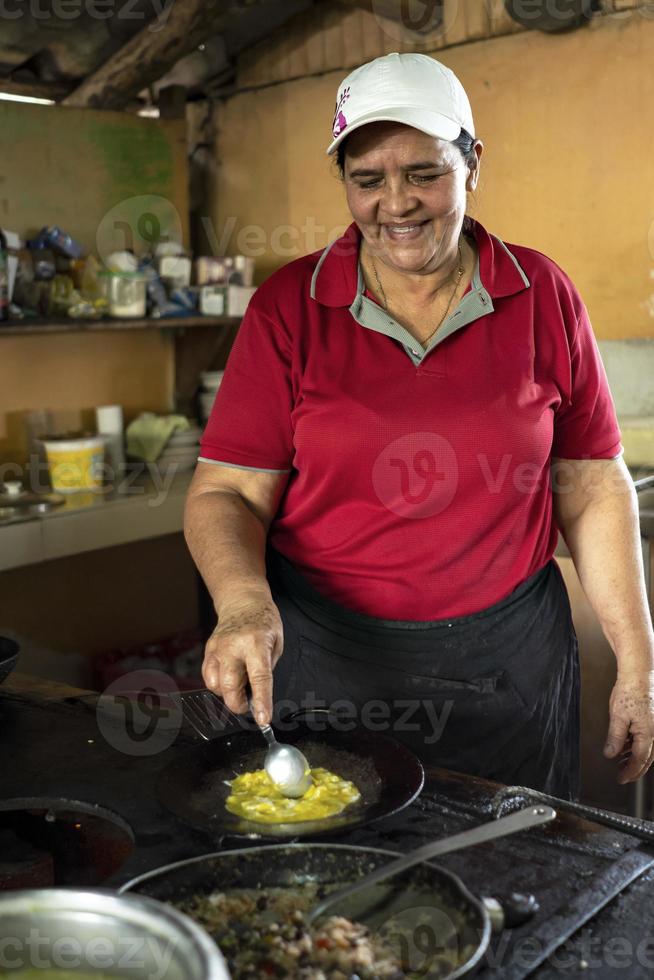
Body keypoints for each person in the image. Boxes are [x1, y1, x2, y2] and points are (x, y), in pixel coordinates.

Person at [185, 52, 654, 799]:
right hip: (328, 659)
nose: (395, 204)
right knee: (336, 876)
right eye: (366, 180)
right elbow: (228, 494)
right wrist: (243, 603)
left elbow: (593, 484)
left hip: (509, 665)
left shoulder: (543, 293)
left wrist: (638, 665)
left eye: (424, 173)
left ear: (473, 164)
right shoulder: (289, 307)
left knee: (512, 865)